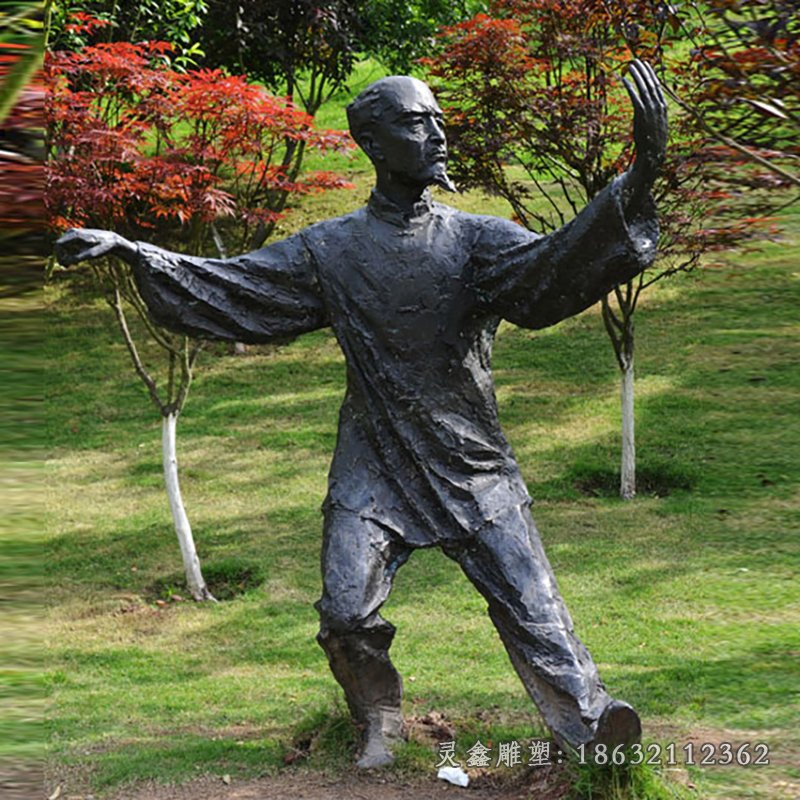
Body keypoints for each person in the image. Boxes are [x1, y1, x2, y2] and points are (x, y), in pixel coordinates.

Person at [56, 61, 668, 769]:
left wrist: (639, 177)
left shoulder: (476, 241)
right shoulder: (331, 249)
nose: (437, 133)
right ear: (374, 144)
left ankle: (594, 730)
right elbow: (239, 286)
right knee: (345, 613)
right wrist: (136, 251)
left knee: (535, 608)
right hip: (373, 460)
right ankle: (378, 716)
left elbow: (554, 269)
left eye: (438, 118)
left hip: (471, 461)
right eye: (417, 122)